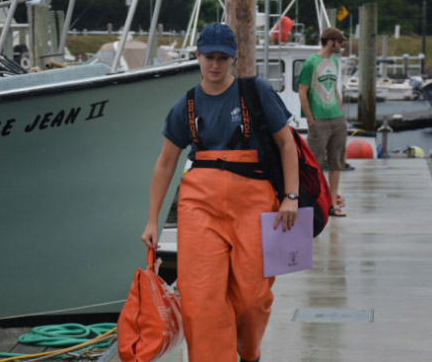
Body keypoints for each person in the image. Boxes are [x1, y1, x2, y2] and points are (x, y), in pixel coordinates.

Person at [140, 23, 300, 362]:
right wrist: (152, 220)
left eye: (222, 58)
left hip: (254, 200)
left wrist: (291, 196)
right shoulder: (184, 106)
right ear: (197, 56)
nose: (215, 64)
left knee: (254, 296)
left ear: (233, 59)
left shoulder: (255, 91)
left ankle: (249, 350)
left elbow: (287, 144)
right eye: (209, 57)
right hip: (199, 204)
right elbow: (166, 164)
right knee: (201, 298)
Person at [297, 27, 348, 217]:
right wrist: (310, 119)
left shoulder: (334, 62)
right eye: (339, 42)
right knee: (315, 163)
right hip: (319, 120)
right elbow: (302, 91)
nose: (341, 45)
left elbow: (335, 90)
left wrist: (341, 114)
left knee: (336, 162)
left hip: (337, 118)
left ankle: (333, 203)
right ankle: (318, 204)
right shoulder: (311, 62)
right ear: (330, 42)